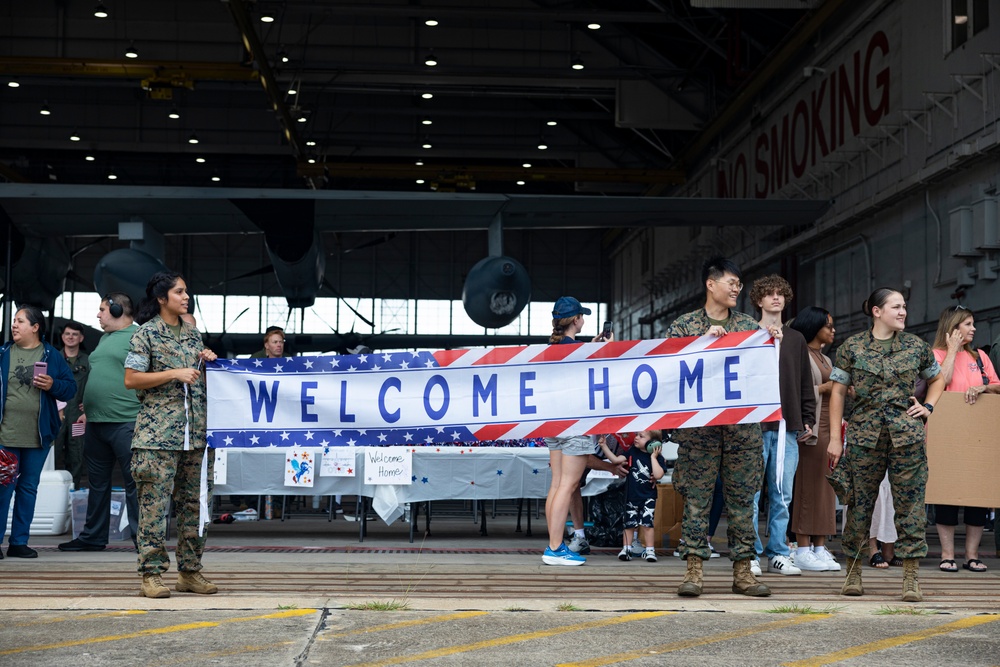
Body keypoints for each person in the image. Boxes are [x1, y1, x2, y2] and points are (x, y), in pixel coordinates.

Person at [828, 287, 944, 602]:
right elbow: (838, 391)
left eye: (904, 306)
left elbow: (937, 379)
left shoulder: (916, 346)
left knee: (910, 508)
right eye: (896, 306)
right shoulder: (852, 347)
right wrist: (835, 440)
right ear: (877, 311)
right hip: (865, 438)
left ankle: (910, 579)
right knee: (859, 506)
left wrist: (928, 406)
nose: (903, 312)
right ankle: (853, 574)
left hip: (907, 439)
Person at [668, 257, 770, 598]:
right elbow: (669, 373)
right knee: (697, 502)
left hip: (742, 432)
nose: (737, 288)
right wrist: (701, 344)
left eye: (739, 284)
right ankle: (694, 571)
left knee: (742, 501)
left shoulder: (750, 329)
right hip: (699, 434)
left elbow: (763, 373)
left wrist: (773, 341)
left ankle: (743, 572)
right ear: (710, 284)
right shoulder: (684, 327)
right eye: (731, 282)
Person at [124, 271, 218, 598]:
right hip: (157, 435)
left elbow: (196, 379)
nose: (186, 296)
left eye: (186, 291)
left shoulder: (193, 336)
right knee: (154, 506)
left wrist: (206, 362)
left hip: (194, 434)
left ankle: (189, 572)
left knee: (194, 505)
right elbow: (132, 379)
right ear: (162, 299)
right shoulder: (145, 335)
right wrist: (173, 373)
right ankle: (150, 574)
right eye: (180, 292)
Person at [58, 293, 141, 552]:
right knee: (96, 483)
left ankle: (144, 541)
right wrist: (88, 410)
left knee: (135, 483)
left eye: (103, 309)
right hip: (96, 422)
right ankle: (93, 537)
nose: (98, 315)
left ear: (117, 309)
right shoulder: (105, 339)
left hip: (127, 421)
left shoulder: (140, 337)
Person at [748, 275, 815, 577]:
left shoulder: (797, 339)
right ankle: (748, 553)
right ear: (758, 301)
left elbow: (805, 383)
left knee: (782, 493)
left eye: (780, 294)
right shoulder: (746, 335)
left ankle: (777, 552)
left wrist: (808, 419)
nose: (776, 298)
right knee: (749, 493)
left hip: (787, 425)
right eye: (769, 294)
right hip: (753, 426)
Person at [0, 305, 77, 558]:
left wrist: (53, 384)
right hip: (5, 436)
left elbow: (70, 388)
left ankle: (19, 542)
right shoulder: (3, 353)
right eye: (14, 321)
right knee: (3, 488)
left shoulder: (51, 355)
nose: (14, 325)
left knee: (28, 487)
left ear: (35, 327)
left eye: (20, 321)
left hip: (38, 436)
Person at [542, 296, 613, 566]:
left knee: (558, 484)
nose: (584, 319)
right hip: (576, 422)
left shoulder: (553, 348)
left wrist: (590, 348)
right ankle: (555, 547)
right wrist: (606, 350)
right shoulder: (580, 351)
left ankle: (554, 544)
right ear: (576, 320)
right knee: (568, 485)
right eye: (582, 315)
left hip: (554, 422)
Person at [930, 305, 1000, 573]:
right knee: (946, 495)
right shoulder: (934, 355)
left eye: (973, 324)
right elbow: (941, 381)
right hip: (946, 434)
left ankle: (972, 555)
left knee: (978, 497)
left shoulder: (981, 356)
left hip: (978, 434)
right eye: (967, 324)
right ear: (953, 327)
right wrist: (951, 351)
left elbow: (997, 385)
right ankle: (947, 554)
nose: (973, 329)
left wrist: (984, 386)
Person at [788, 306, 842, 572]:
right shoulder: (802, 355)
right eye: (828, 325)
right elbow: (793, 390)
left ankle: (820, 547)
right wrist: (825, 388)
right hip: (810, 430)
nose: (833, 330)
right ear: (813, 327)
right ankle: (802, 547)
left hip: (828, 429)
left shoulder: (825, 359)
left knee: (826, 489)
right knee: (808, 488)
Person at [598, 430, 667, 562]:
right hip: (631, 496)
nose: (636, 438)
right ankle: (626, 548)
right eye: (637, 435)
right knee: (629, 524)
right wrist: (603, 446)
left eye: (641, 436)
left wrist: (653, 457)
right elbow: (615, 460)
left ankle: (650, 550)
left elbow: (658, 475)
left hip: (648, 497)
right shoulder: (632, 452)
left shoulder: (657, 458)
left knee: (647, 524)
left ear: (653, 442)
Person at [53, 321, 90, 489]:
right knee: (52, 453)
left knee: (76, 454)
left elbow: (94, 385)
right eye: (67, 334)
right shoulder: (54, 359)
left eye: (75, 334)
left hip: (77, 417)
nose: (71, 337)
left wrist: (88, 404)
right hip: (57, 415)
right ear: (62, 337)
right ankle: (49, 490)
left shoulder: (88, 361)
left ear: (81, 338)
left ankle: (73, 490)